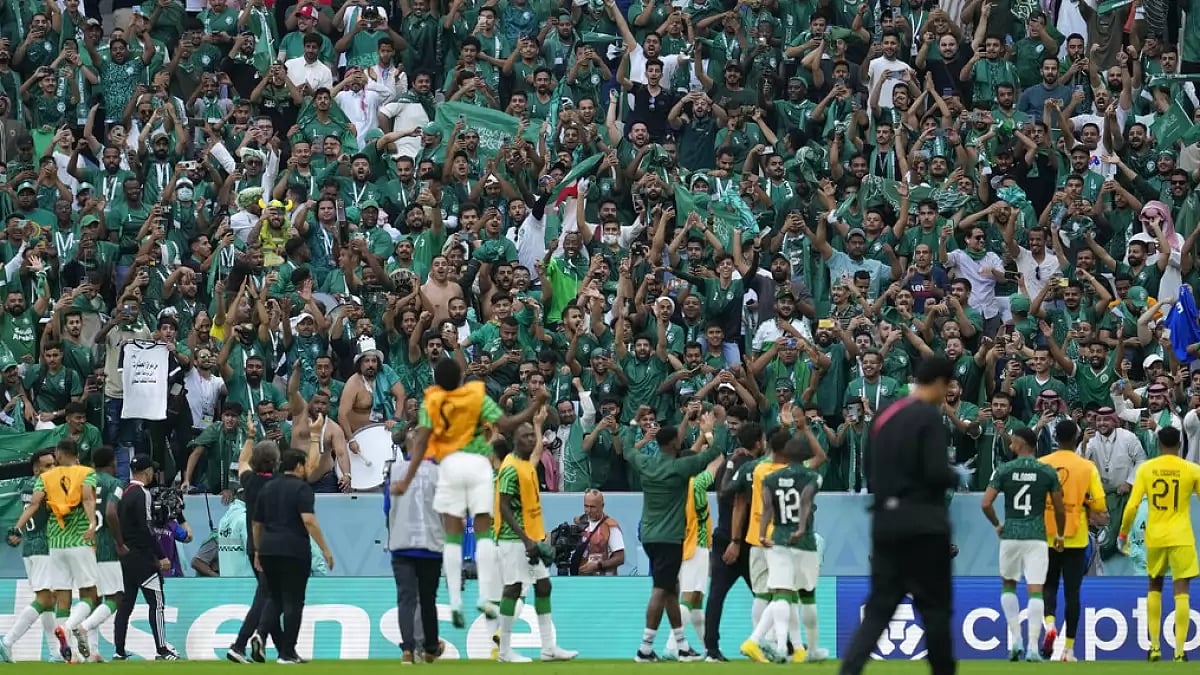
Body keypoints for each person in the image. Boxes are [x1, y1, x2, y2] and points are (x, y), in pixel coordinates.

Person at [393, 358, 543, 628]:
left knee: (452, 536)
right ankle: (486, 596)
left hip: (450, 466)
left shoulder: (432, 402)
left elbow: (422, 443)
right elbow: (508, 425)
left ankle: (454, 601)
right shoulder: (476, 397)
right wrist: (536, 404)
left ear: (436, 381)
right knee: (484, 533)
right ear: (462, 378)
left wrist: (406, 479)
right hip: (478, 466)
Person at [838, 356, 961, 675]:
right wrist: (954, 475)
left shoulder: (883, 416)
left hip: (885, 524)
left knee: (879, 608)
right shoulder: (927, 417)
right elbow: (935, 472)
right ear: (938, 383)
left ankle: (848, 671)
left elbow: (868, 469)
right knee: (934, 611)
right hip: (924, 526)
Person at [629, 413, 722, 662]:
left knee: (671, 588)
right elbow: (716, 453)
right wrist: (709, 432)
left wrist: (634, 423)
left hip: (648, 534)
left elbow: (628, 450)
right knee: (661, 589)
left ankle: (682, 647)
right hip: (670, 538)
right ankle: (645, 648)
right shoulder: (681, 468)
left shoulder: (646, 463)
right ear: (672, 444)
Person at [493, 406, 578, 663]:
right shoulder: (509, 468)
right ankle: (505, 651)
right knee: (513, 588)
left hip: (529, 538)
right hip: (514, 539)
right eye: (526, 436)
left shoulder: (526, 464)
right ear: (514, 441)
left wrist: (538, 425)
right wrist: (525, 539)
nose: (531, 440)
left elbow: (538, 451)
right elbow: (504, 506)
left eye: (533, 436)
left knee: (544, 585)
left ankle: (548, 648)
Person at [11, 439, 103, 664]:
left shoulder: (44, 478)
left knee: (62, 598)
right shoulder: (86, 473)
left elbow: (34, 504)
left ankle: (68, 655)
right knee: (92, 595)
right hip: (79, 541)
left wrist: (16, 527)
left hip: (55, 543)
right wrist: (92, 525)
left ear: (60, 454)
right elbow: (88, 497)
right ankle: (69, 627)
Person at [981, 427, 1067, 662]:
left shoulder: (1004, 470)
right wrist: (1059, 535)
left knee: (1008, 585)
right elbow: (1059, 508)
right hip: (1036, 536)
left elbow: (986, 503)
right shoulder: (1047, 471)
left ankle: (1016, 640)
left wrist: (998, 525)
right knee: (1036, 589)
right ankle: (1032, 647)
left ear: (1020, 443)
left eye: (1012, 442)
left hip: (1011, 533)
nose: (1010, 446)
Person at [1118, 426, 1200, 662]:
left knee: (1154, 587)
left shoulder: (1146, 469)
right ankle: (1180, 651)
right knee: (1181, 592)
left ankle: (1154, 647)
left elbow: (1132, 506)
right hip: (1182, 537)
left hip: (1155, 537)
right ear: (1180, 445)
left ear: (1158, 445)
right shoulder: (1192, 469)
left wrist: (1123, 534)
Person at [252, 449, 335, 665]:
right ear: (298, 466)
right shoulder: (302, 488)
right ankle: (287, 652)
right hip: (293, 550)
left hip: (268, 549)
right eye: (306, 464)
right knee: (293, 601)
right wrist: (325, 549)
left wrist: (259, 550)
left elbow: (256, 523)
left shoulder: (268, 487)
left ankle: (260, 634)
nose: (308, 468)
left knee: (274, 597)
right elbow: (308, 520)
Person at [753, 433, 826, 663]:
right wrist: (802, 528)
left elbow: (767, 510)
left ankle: (782, 646)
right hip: (803, 543)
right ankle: (812, 650)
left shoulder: (771, 478)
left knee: (782, 592)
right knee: (807, 595)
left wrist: (762, 534)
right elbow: (805, 500)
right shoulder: (812, 476)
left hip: (779, 539)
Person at [1037, 419, 1107, 662]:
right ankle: (1068, 649)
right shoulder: (1086, 467)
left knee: (1048, 587)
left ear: (1056, 437)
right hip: (1075, 536)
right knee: (1072, 592)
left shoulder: (1042, 464)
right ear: (1077, 438)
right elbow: (1099, 504)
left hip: (1047, 535)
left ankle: (1049, 627)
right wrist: (1086, 503)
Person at [704, 423, 764, 662]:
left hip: (726, 537)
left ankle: (711, 649)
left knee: (717, 595)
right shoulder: (753, 469)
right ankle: (783, 644)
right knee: (766, 595)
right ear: (759, 442)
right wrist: (736, 542)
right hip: (740, 541)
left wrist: (729, 463)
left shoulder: (729, 466)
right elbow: (733, 498)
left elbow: (721, 492)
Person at [386, 430, 446, 664]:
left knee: (406, 598)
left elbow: (386, 508)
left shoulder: (395, 471)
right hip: (430, 544)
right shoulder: (439, 473)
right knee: (428, 598)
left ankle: (407, 650)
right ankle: (430, 647)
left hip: (401, 544)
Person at [113, 455, 178, 661]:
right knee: (156, 603)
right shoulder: (143, 493)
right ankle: (162, 650)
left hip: (125, 557)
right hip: (142, 558)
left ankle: (119, 650)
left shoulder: (123, 491)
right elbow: (146, 528)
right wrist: (161, 556)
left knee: (126, 605)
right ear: (147, 471)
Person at [226, 441, 284, 664]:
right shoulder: (279, 484)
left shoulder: (249, 481)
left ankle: (283, 650)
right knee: (266, 597)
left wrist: (250, 436)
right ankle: (239, 645)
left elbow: (241, 461)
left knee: (270, 596)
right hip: (272, 548)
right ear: (276, 461)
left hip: (254, 547)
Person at [0, 448, 59, 663]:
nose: (52, 468)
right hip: (45, 547)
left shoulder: (27, 486)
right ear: (36, 469)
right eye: (47, 465)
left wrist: (18, 532)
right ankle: (8, 640)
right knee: (45, 599)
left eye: (53, 464)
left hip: (30, 549)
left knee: (48, 600)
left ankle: (55, 652)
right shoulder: (46, 487)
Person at [75, 446, 127, 661]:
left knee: (92, 598)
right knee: (116, 596)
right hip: (105, 545)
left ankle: (93, 652)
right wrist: (120, 542)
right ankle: (84, 627)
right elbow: (110, 512)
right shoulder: (114, 484)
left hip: (83, 544)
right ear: (113, 462)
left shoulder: (84, 482)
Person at [575, 489, 625, 576]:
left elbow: (620, 558)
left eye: (592, 507)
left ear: (602, 506)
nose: (588, 510)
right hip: (582, 579)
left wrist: (598, 565)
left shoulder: (610, 526)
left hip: (605, 581)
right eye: (586, 506)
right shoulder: (581, 522)